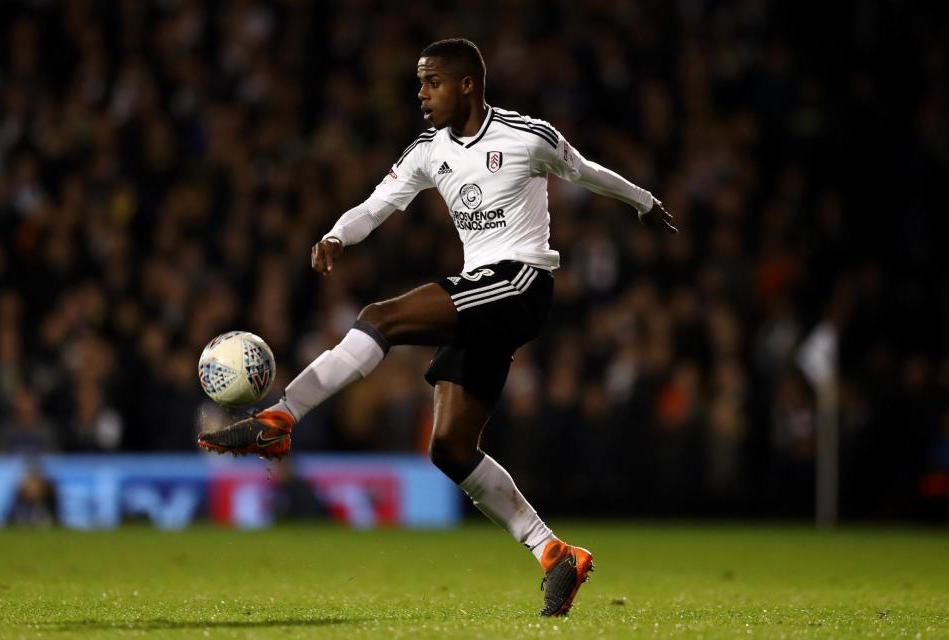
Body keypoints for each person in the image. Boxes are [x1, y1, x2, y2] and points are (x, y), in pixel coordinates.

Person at [198, 38, 678, 616]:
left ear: (467, 84)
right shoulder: (429, 150)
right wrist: (336, 236)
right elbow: (378, 203)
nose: (421, 94)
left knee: (381, 318)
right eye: (420, 83)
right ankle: (555, 553)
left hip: (522, 281)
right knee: (450, 449)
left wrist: (643, 201)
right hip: (483, 292)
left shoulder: (527, 136)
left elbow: (584, 170)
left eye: (432, 83)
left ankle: (279, 418)